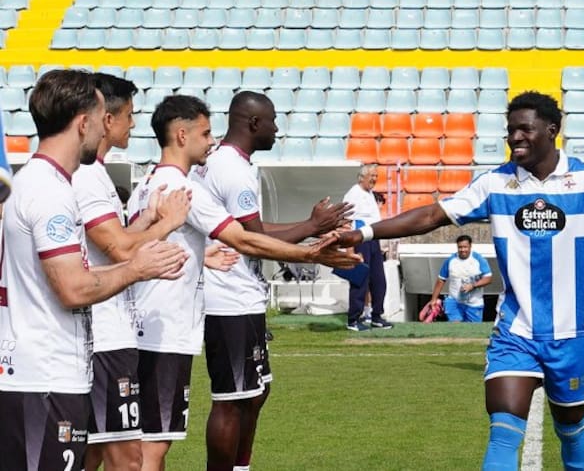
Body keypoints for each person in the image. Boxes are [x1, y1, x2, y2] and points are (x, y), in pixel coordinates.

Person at [331, 91, 584, 471]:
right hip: (515, 331)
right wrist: (364, 234)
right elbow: (431, 216)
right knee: (503, 431)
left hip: (572, 334)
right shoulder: (495, 184)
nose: (515, 138)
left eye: (525, 129)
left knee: (571, 429)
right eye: (511, 130)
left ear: (552, 130)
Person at [129, 95, 360, 470]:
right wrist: (312, 246)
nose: (211, 140)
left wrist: (201, 255)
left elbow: (139, 244)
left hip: (164, 316)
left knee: (245, 395)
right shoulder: (191, 184)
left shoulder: (157, 183)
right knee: (166, 437)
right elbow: (245, 237)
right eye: (205, 133)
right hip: (190, 314)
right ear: (183, 135)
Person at [0, 69, 188, 471]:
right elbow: (73, 288)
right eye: (101, 120)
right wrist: (137, 268)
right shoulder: (50, 192)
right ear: (84, 122)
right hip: (44, 377)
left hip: (44, 375)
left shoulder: (44, 183)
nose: (105, 130)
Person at [194, 91, 353, 471]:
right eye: (273, 121)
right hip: (227, 295)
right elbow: (254, 242)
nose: (277, 128)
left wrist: (311, 231)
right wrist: (312, 229)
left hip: (239, 294)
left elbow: (256, 231)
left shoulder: (228, 164)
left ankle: (240, 466)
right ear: (253, 124)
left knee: (255, 392)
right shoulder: (232, 170)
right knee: (233, 398)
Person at [76, 73, 194, 471]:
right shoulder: (88, 176)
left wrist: (144, 221)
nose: (132, 124)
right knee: (128, 458)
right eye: (128, 115)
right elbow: (119, 248)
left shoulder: (96, 175)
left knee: (92, 452)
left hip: (109, 331)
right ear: (107, 120)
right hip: (106, 334)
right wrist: (168, 223)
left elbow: (115, 239)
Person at [343, 163, 390, 331]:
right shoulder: (353, 194)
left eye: (376, 176)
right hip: (360, 240)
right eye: (372, 176)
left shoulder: (370, 193)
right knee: (360, 280)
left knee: (379, 280)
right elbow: (346, 222)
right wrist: (349, 249)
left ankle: (377, 316)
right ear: (361, 177)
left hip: (373, 240)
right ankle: (353, 320)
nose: (375, 179)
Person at [426, 235, 493, 322]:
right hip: (454, 301)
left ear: (470, 246)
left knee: (473, 332)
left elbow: (489, 278)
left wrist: (473, 285)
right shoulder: (450, 260)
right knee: (456, 328)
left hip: (474, 303)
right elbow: (441, 279)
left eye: (465, 247)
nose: (462, 250)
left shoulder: (479, 259)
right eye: (460, 247)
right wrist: (433, 299)